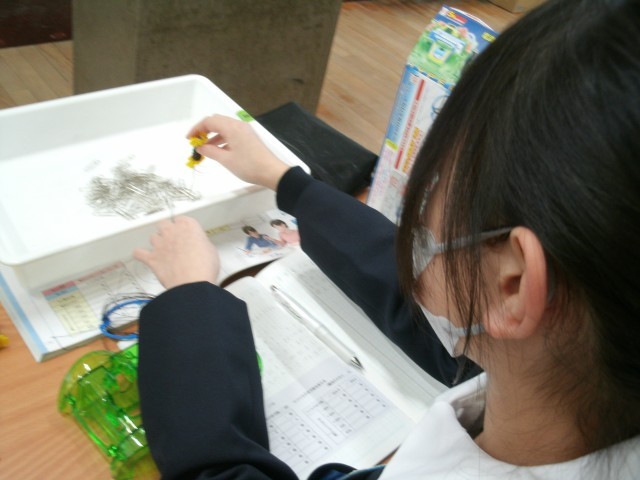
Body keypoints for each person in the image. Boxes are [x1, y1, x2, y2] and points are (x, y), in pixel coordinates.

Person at [133, 0, 640, 478]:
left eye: (436, 184)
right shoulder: (581, 373)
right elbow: (417, 301)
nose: (425, 205)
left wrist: (190, 300)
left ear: (513, 285)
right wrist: (286, 182)